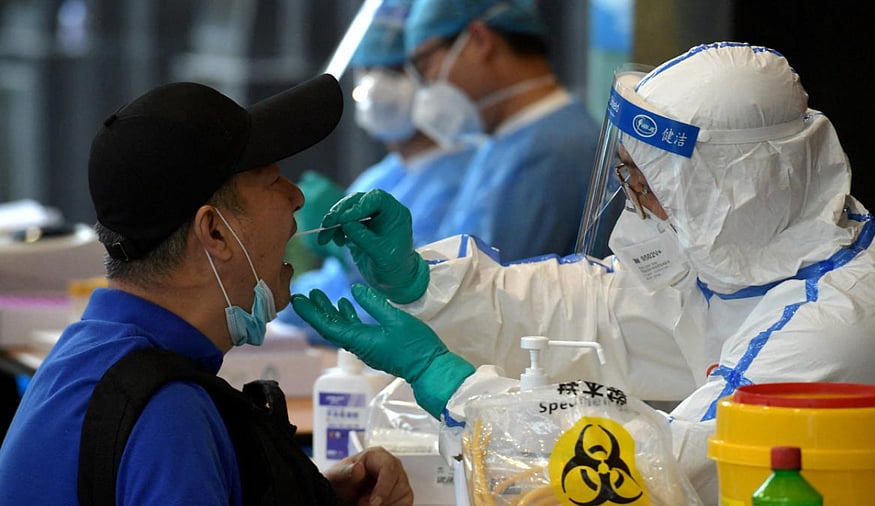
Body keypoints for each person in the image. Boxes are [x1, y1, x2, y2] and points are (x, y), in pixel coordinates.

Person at [291, 42, 875, 504]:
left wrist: (454, 385)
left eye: (651, 183)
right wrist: (423, 287)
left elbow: (664, 466)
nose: (633, 203)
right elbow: (584, 309)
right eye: (628, 175)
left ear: (735, 188)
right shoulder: (737, 257)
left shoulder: (839, 322)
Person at [0, 75, 413, 505]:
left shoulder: (88, 357)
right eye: (273, 180)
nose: (297, 197)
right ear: (215, 232)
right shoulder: (166, 414)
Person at [276, 0, 475, 332]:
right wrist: (279, 305)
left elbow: (432, 291)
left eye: (394, 71)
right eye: (367, 70)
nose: (375, 87)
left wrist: (353, 250)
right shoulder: (382, 176)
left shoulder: (465, 176)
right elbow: (335, 284)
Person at [403, 0, 600, 261]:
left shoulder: (551, 153)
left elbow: (482, 291)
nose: (424, 89)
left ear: (480, 40)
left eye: (425, 67)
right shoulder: (509, 141)